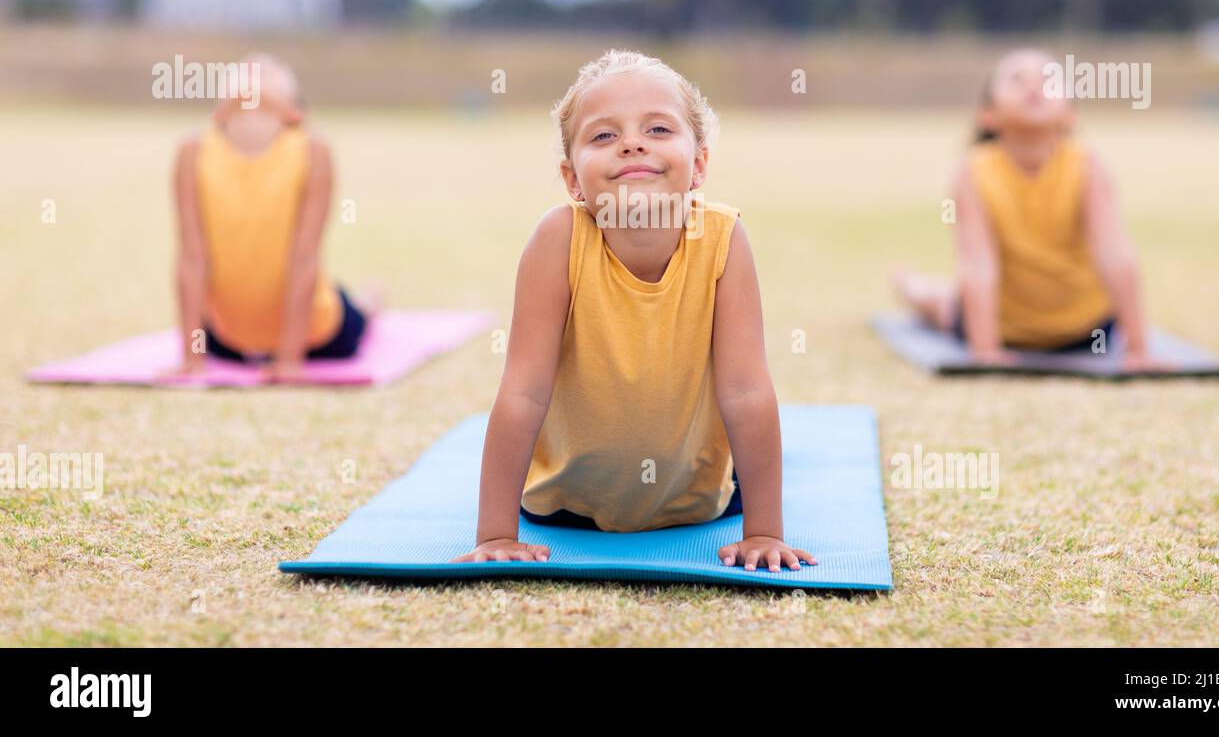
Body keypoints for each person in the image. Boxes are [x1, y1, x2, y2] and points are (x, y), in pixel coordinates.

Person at [453, 49, 817, 573]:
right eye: (603, 136)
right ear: (572, 178)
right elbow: (523, 389)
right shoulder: (557, 239)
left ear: (699, 164)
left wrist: (763, 531)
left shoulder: (723, 238)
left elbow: (746, 388)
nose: (631, 143)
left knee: (753, 452)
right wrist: (494, 535)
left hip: (697, 503)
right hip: (563, 506)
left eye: (659, 129)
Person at [893, 48, 1167, 371]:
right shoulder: (972, 173)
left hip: (1088, 331)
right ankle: (912, 287)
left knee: (948, 302)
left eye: (1048, 80)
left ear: (1070, 114)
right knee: (943, 307)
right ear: (988, 114)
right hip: (1003, 328)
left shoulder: (1088, 166)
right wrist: (985, 350)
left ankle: (919, 287)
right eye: (1016, 80)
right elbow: (976, 264)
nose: (1033, 87)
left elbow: (1114, 252)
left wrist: (1137, 349)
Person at [164, 53, 379, 383]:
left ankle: (372, 300)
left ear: (292, 109)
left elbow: (305, 258)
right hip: (228, 340)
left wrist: (289, 359)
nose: (255, 75)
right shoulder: (193, 151)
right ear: (221, 108)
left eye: (267, 74)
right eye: (246, 72)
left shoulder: (313, 150)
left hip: (318, 334)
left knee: (358, 313)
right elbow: (191, 258)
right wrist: (192, 357)